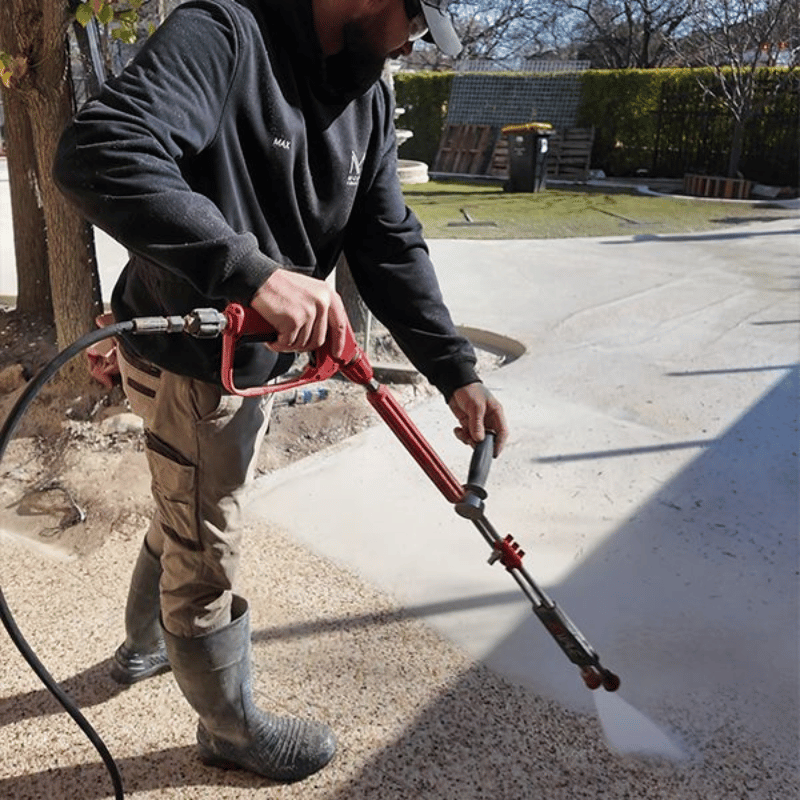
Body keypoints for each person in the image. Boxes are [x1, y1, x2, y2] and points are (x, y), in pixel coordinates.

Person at [54, 0, 508, 783]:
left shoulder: (367, 89)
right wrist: (254, 273)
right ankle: (229, 730)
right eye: (418, 21)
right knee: (205, 544)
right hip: (193, 362)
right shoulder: (225, 35)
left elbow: (387, 240)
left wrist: (455, 369)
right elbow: (99, 149)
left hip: (235, 363)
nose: (416, 41)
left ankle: (139, 647)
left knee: (186, 500)